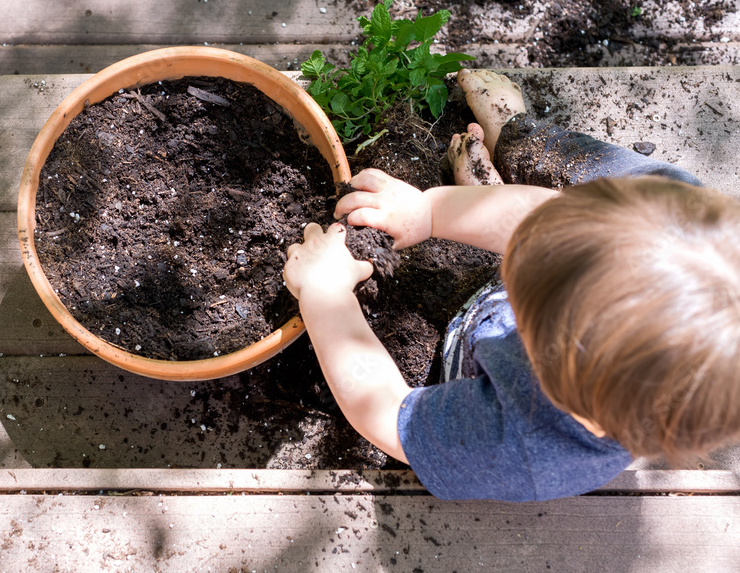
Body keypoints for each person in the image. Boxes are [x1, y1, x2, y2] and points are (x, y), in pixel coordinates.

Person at [283, 69, 740, 501]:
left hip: (480, 370)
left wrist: (325, 292)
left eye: (533, 273)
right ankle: (516, 135)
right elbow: (541, 214)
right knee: (607, 175)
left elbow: (386, 413)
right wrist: (430, 212)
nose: (529, 247)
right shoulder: (675, 213)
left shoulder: (522, 441)